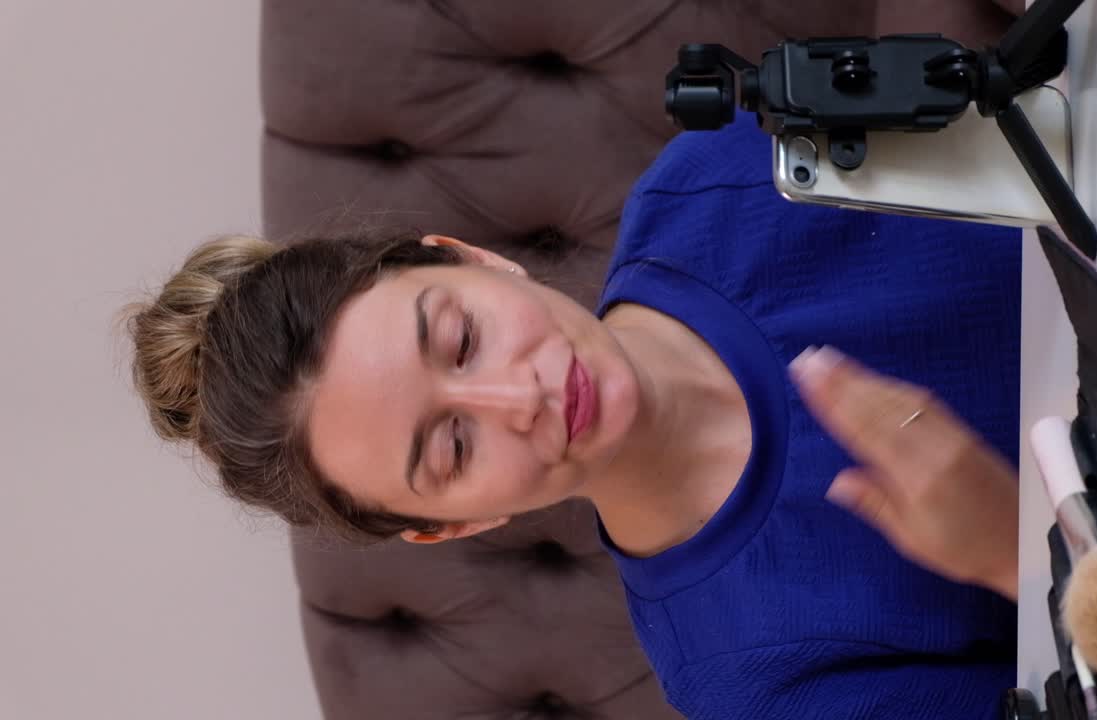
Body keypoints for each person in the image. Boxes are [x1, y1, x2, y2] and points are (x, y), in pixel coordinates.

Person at [127, 112, 1021, 719]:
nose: (523, 400)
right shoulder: (746, 677)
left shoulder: (717, 179)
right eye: (452, 446)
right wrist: (1012, 551)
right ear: (455, 522)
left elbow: (1060, 120)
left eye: (462, 339)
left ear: (472, 257)